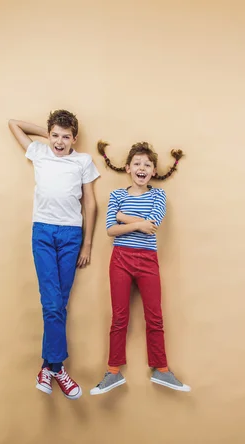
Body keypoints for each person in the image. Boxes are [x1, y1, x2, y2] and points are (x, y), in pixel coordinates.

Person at [8, 110, 100, 400]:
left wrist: (87, 244)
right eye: (55, 135)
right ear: (49, 136)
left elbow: (91, 203)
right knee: (52, 303)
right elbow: (14, 124)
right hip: (44, 234)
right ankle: (57, 368)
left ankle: (47, 368)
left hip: (72, 235)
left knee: (59, 304)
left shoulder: (83, 161)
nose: (60, 141)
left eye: (66, 136)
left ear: (75, 138)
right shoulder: (39, 151)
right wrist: (46, 133)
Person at [89, 140, 190, 395]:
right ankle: (113, 372)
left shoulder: (158, 195)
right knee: (119, 318)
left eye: (147, 164)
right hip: (120, 259)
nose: (141, 168)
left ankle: (162, 369)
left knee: (154, 317)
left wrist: (124, 217)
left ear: (153, 171)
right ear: (128, 168)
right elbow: (111, 230)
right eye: (137, 163)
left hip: (147, 260)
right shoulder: (116, 195)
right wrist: (136, 224)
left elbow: (153, 224)